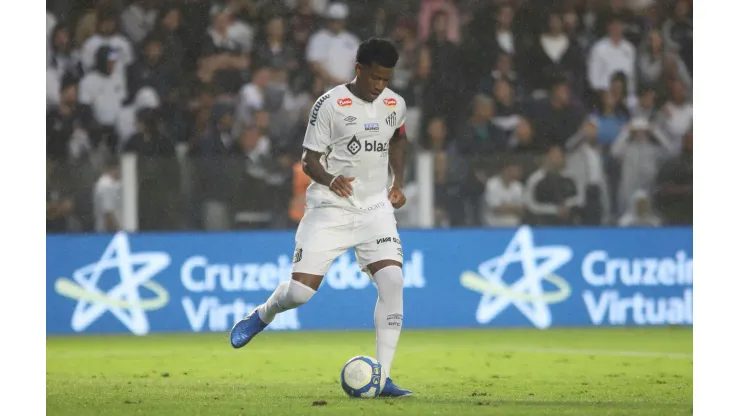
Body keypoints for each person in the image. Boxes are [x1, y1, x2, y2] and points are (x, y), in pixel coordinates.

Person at [230, 38, 412, 397]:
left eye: (386, 79)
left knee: (393, 282)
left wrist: (398, 182)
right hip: (330, 208)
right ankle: (263, 314)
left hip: (375, 209)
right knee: (299, 293)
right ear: (359, 70)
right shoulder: (330, 105)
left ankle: (382, 378)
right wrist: (331, 180)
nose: (380, 86)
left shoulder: (395, 103)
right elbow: (309, 160)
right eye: (375, 78)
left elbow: (399, 139)